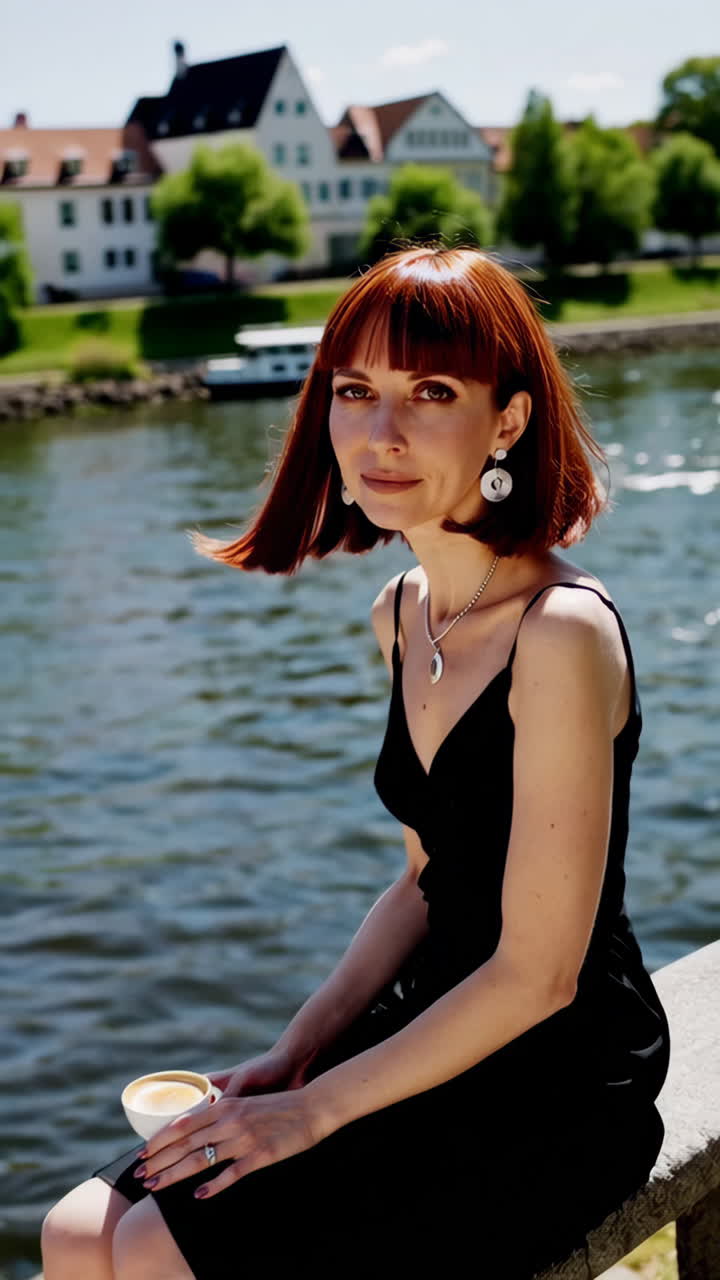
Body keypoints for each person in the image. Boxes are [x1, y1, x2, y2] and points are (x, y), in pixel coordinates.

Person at [41, 244, 671, 1280]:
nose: (382, 433)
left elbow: (542, 971)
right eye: (356, 391)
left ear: (507, 420)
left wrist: (313, 1110)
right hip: (430, 1017)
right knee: (74, 1231)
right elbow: (425, 878)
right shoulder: (402, 610)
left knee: (155, 1251)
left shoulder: (561, 631)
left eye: (432, 392)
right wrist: (296, 1051)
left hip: (557, 1070)